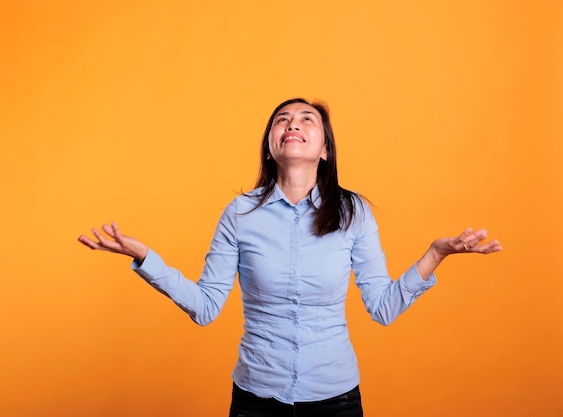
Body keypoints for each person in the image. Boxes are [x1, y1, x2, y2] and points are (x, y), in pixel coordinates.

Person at [77, 98, 502, 417]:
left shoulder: (354, 212)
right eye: (282, 120)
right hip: (256, 399)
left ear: (325, 149)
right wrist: (145, 257)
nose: (292, 125)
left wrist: (435, 253)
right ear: (269, 146)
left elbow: (384, 308)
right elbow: (206, 308)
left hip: (336, 399)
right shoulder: (240, 213)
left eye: (306, 119)